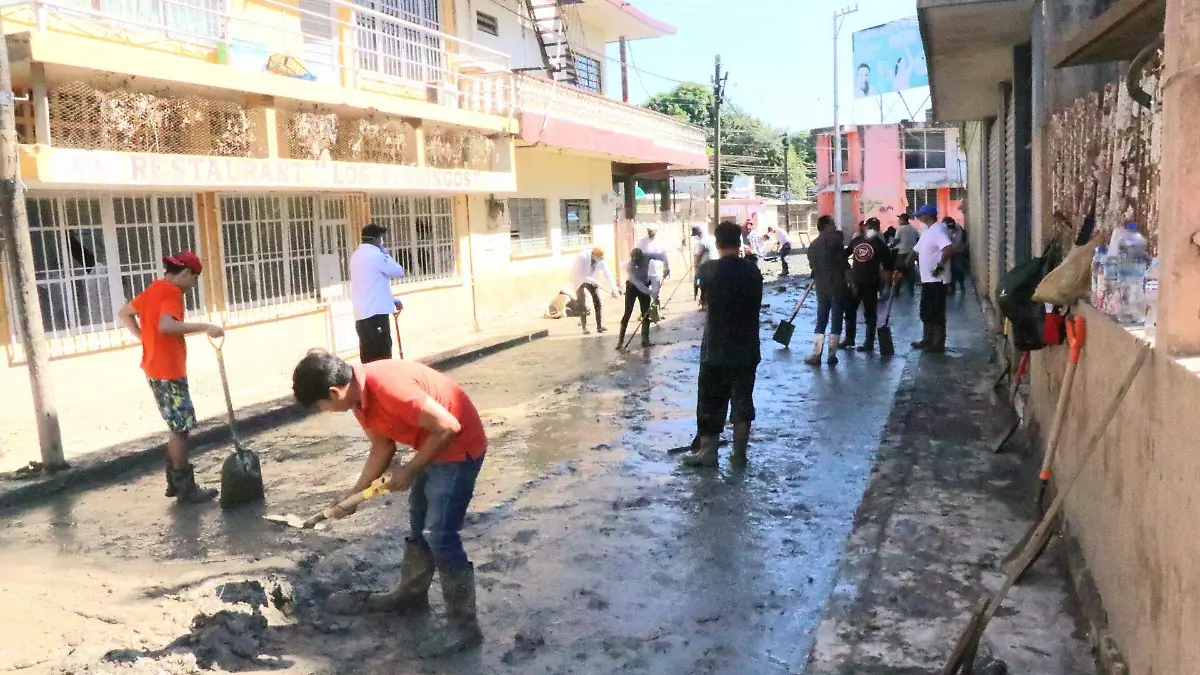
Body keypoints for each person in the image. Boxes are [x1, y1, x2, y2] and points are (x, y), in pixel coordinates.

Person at [293, 350, 488, 658]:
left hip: (459, 448)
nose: (322, 410)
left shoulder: (388, 388)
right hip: (431, 445)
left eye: (320, 405)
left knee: (440, 533)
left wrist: (410, 470)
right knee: (418, 520)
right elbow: (382, 446)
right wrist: (354, 494)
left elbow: (449, 426)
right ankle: (411, 595)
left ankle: (464, 627)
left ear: (334, 392)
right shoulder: (357, 396)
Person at [117, 251, 224, 504]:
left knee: (177, 427)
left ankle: (174, 484)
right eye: (195, 279)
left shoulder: (154, 288)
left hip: (156, 368)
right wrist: (205, 327)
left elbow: (125, 313)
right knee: (181, 429)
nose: (193, 285)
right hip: (168, 370)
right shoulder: (171, 292)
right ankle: (185, 488)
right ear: (186, 273)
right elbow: (166, 326)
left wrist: (144, 337)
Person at [683, 221, 763, 468]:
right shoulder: (753, 271)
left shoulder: (709, 270)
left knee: (710, 400)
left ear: (717, 244)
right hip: (747, 347)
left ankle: (708, 454)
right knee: (742, 400)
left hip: (716, 349)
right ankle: (739, 455)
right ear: (739, 243)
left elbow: (701, 292)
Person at [350, 223, 406, 363]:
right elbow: (399, 271)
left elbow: (369, 285)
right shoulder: (377, 255)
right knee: (382, 357)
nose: (382, 241)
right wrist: (385, 253)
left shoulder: (356, 256)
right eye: (381, 238)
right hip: (376, 315)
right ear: (375, 239)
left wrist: (391, 300)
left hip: (362, 316)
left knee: (368, 357)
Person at [911, 204, 958, 352]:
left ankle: (937, 344)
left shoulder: (938, 230)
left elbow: (948, 248)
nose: (918, 218)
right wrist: (901, 267)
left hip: (937, 280)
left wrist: (939, 266)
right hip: (927, 280)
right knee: (926, 311)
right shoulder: (927, 232)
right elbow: (915, 251)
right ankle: (927, 339)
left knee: (936, 312)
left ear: (927, 216)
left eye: (920, 215)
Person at [805, 215, 850, 366]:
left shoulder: (812, 246)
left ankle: (816, 354)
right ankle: (832, 355)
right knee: (836, 319)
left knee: (821, 319)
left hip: (821, 287)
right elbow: (843, 264)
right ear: (825, 226)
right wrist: (852, 282)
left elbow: (813, 268)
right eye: (833, 224)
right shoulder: (836, 241)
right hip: (837, 286)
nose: (835, 226)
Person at [844, 217, 892, 353]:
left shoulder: (880, 245)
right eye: (870, 226)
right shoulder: (856, 241)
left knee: (870, 314)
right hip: (855, 282)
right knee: (849, 310)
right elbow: (844, 255)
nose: (872, 229)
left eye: (875, 227)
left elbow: (888, 265)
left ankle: (869, 343)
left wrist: (888, 283)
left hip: (871, 283)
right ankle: (849, 338)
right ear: (864, 227)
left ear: (878, 229)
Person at [570, 247, 619, 335]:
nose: (599, 260)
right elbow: (581, 275)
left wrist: (614, 288)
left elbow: (607, 273)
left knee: (598, 301)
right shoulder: (582, 257)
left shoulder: (600, 260)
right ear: (593, 254)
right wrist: (595, 282)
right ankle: (584, 327)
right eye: (598, 257)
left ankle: (599, 326)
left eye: (601, 258)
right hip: (579, 279)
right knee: (582, 303)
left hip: (592, 279)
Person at [618, 249, 656, 350]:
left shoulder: (647, 260)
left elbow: (653, 275)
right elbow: (637, 283)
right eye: (634, 260)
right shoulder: (629, 266)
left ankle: (645, 340)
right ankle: (620, 341)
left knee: (646, 314)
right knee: (627, 313)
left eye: (638, 260)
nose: (636, 262)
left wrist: (655, 290)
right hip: (632, 287)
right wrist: (650, 292)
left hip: (645, 284)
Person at [635, 224, 671, 306]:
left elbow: (664, 256)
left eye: (651, 230)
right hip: (644, 272)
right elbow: (637, 255)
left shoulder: (660, 242)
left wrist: (666, 268)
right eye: (648, 230)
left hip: (656, 271)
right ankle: (645, 313)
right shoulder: (642, 242)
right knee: (644, 294)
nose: (650, 232)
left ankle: (656, 312)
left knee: (656, 294)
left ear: (656, 231)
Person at [893, 213, 920, 297]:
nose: (898, 221)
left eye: (899, 219)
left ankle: (896, 291)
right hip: (911, 254)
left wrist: (891, 246)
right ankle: (911, 291)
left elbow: (896, 241)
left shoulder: (900, 229)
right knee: (910, 273)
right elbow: (918, 241)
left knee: (898, 272)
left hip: (902, 253)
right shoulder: (914, 229)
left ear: (902, 220)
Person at [691, 225, 717, 307]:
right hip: (716, 263)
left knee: (698, 281)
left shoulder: (701, 242)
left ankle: (701, 299)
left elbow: (697, 255)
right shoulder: (712, 238)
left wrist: (695, 265)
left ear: (700, 233)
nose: (695, 237)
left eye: (696, 235)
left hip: (705, 266)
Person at [945, 217, 969, 296]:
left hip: (958, 252)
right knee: (949, 270)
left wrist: (950, 249)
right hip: (949, 252)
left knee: (958, 269)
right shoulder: (944, 228)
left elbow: (958, 242)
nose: (950, 228)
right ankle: (952, 288)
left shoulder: (958, 229)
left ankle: (962, 286)